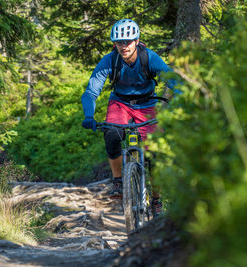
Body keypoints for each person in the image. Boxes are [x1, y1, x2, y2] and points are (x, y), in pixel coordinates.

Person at [81, 19, 174, 217]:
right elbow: (91, 92)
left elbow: (174, 81)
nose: (124, 46)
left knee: (155, 153)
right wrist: (89, 115)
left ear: (137, 41)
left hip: (147, 103)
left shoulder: (150, 58)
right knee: (112, 133)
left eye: (128, 41)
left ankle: (156, 200)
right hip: (120, 102)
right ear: (115, 43)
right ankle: (117, 180)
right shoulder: (110, 60)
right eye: (119, 42)